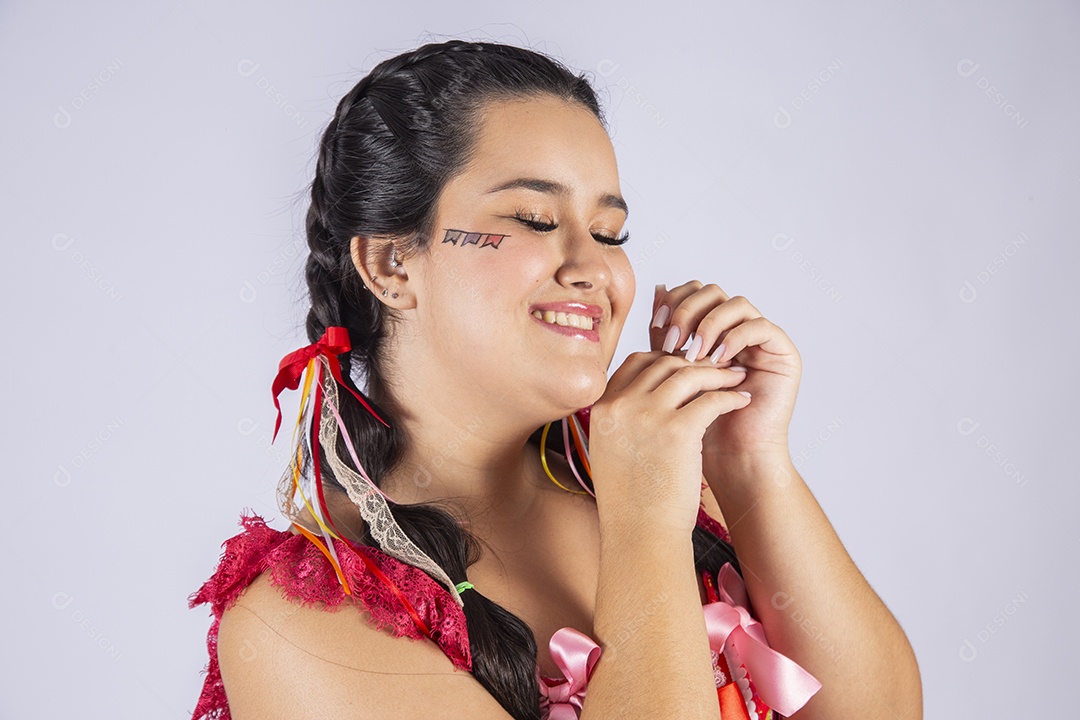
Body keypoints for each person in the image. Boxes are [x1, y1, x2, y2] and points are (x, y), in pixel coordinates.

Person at [188, 39, 921, 720]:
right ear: (390, 265)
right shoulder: (302, 620)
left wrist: (750, 466)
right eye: (535, 219)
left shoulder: (668, 486)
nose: (594, 267)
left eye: (609, 233)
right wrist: (642, 532)